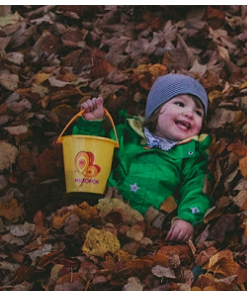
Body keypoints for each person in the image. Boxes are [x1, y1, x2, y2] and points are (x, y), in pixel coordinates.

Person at [72, 73, 213, 241]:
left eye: (198, 112)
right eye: (180, 103)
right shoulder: (127, 135)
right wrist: (91, 124)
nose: (189, 113)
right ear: (157, 108)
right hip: (107, 215)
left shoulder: (191, 155)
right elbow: (91, 159)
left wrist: (186, 219)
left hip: (153, 231)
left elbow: (196, 189)